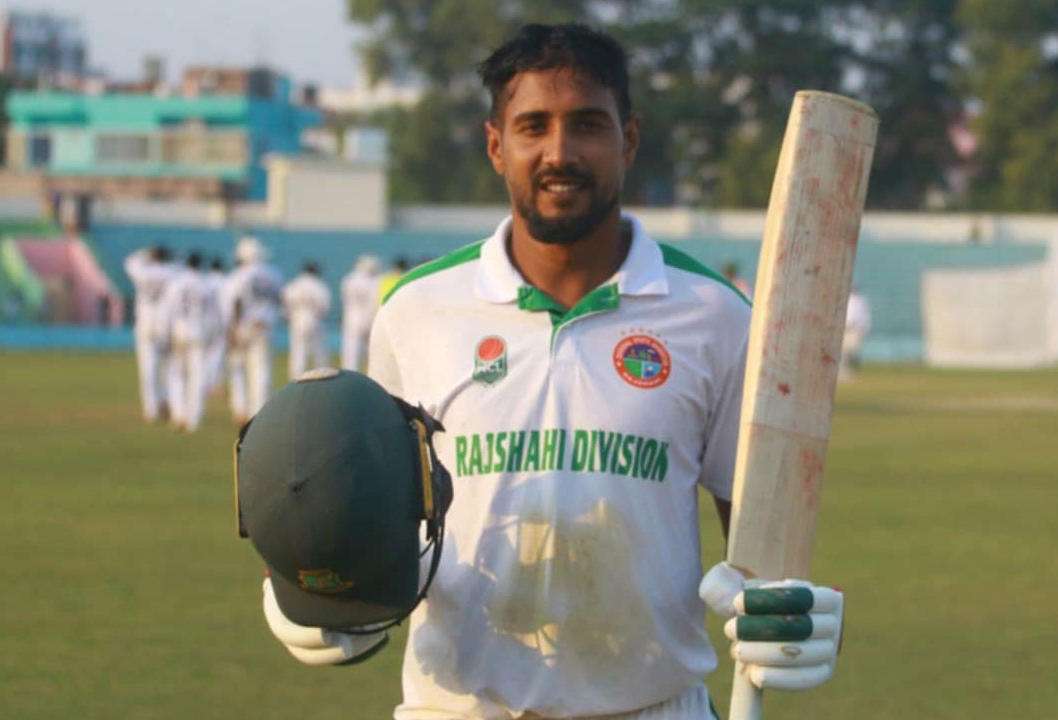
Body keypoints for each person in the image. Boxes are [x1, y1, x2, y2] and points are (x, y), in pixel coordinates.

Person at [261, 24, 844, 719]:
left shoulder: (714, 314)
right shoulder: (417, 311)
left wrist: (788, 617)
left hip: (651, 706)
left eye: (587, 125)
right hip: (458, 706)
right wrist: (324, 587)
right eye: (533, 126)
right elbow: (380, 509)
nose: (560, 153)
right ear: (495, 145)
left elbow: (761, 546)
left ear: (629, 139)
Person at [220, 235, 283, 425]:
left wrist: (231, 328)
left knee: (237, 366)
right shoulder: (275, 274)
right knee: (262, 370)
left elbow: (234, 302)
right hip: (265, 326)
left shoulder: (240, 275)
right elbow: (280, 301)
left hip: (244, 325)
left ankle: (240, 408)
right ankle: (258, 412)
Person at [162, 251, 218, 432]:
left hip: (179, 332)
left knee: (176, 375)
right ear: (200, 264)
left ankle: (178, 414)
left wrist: (165, 334)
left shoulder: (176, 284)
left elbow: (168, 311)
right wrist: (212, 338)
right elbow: (213, 315)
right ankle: (194, 419)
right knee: (198, 376)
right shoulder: (206, 285)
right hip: (199, 333)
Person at [123, 244, 176, 423]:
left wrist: (146, 253)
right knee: (169, 368)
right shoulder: (173, 272)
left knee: (148, 369)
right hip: (166, 325)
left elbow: (129, 262)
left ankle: (151, 411)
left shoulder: (142, 272)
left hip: (145, 325)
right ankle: (168, 401)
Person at [282, 260, 333, 380]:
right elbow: (325, 306)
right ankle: (324, 380)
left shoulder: (293, 285)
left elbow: (284, 305)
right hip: (314, 319)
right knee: (319, 353)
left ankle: (296, 380)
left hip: (297, 319)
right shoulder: (319, 285)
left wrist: (290, 317)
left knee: (298, 353)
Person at [339, 254, 382, 372]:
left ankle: (350, 374)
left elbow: (345, 298)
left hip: (352, 317)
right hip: (370, 318)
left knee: (351, 352)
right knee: (373, 352)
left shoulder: (349, 279)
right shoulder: (377, 281)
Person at [203, 257, 229, 394]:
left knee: (205, 353)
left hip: (205, 320)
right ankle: (215, 383)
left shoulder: (205, 281)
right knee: (218, 353)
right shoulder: (226, 281)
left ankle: (207, 381)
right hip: (221, 319)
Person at [840, 285, 872, 381]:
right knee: (843, 351)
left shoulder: (860, 300)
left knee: (850, 350)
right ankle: (843, 371)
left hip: (854, 328)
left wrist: (864, 328)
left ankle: (848, 370)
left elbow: (864, 316)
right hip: (845, 328)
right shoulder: (845, 298)